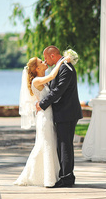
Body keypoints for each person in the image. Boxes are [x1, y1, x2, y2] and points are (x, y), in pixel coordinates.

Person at [14, 55, 70, 187]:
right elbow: (51, 76)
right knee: (45, 145)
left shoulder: (43, 81)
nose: (44, 61)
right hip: (44, 118)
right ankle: (46, 178)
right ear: (37, 68)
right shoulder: (37, 81)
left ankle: (49, 175)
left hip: (50, 116)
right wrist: (61, 61)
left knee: (48, 144)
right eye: (41, 61)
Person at [36, 46, 83, 188]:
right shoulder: (61, 67)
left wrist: (42, 103)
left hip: (67, 112)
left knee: (65, 145)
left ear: (52, 56)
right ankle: (65, 175)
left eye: (45, 58)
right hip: (64, 112)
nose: (45, 61)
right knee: (63, 144)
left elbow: (59, 90)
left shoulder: (65, 68)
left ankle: (67, 178)